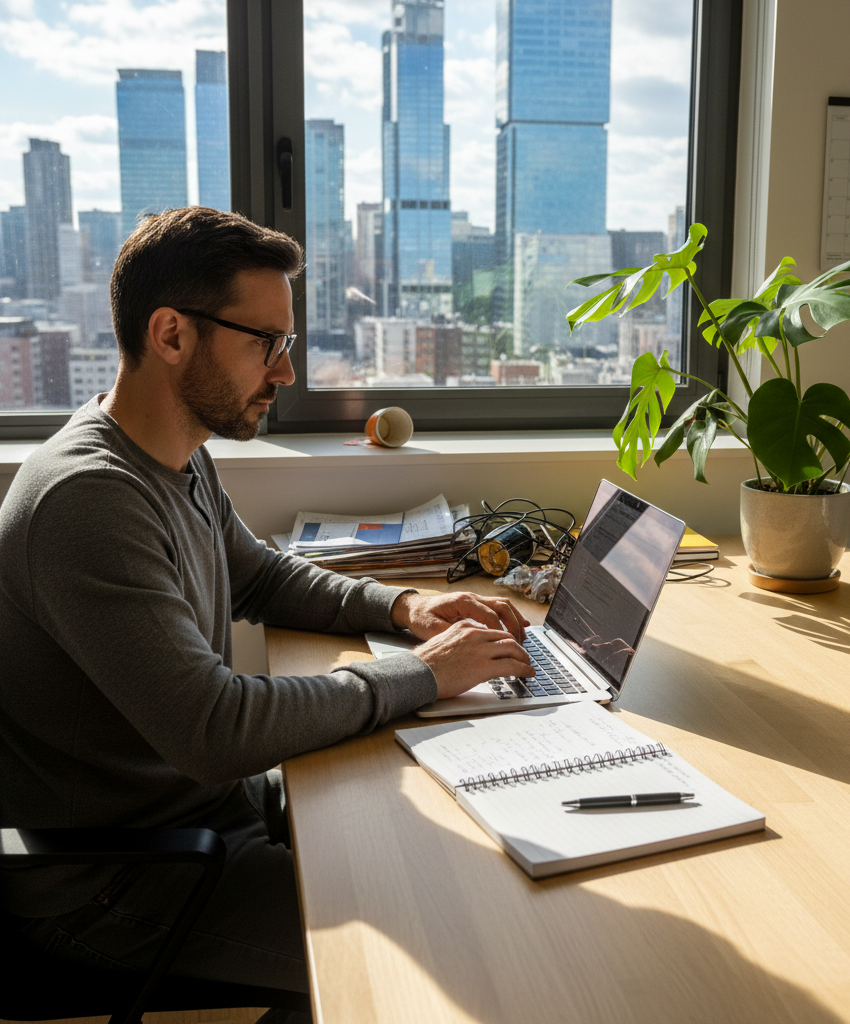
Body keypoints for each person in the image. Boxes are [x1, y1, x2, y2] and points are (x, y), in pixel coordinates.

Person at [0, 207, 533, 1008]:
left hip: (202, 814)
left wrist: (407, 607)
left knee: (453, 827)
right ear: (172, 334)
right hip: (121, 880)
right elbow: (214, 730)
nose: (284, 373)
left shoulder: (173, 456)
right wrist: (422, 676)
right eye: (267, 344)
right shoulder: (89, 499)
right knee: (447, 931)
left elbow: (262, 578)